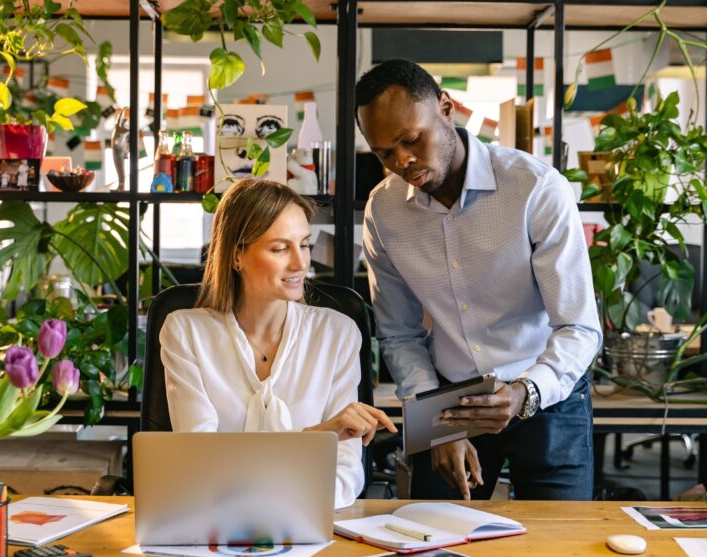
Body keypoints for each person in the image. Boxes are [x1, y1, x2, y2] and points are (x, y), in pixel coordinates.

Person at [356, 59, 602, 501]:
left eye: (411, 140)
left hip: (545, 389)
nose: (402, 161)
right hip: (448, 402)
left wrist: (524, 392)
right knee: (433, 549)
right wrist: (433, 423)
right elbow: (398, 333)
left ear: (446, 108)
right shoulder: (384, 211)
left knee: (559, 548)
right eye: (384, 153)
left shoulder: (535, 188)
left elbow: (578, 327)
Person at [160, 178, 396, 508]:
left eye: (305, 244)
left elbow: (345, 476)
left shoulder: (337, 334)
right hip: (212, 526)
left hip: (311, 526)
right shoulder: (186, 333)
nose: (301, 264)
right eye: (280, 248)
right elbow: (201, 465)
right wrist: (317, 437)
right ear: (236, 255)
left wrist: (249, 481)